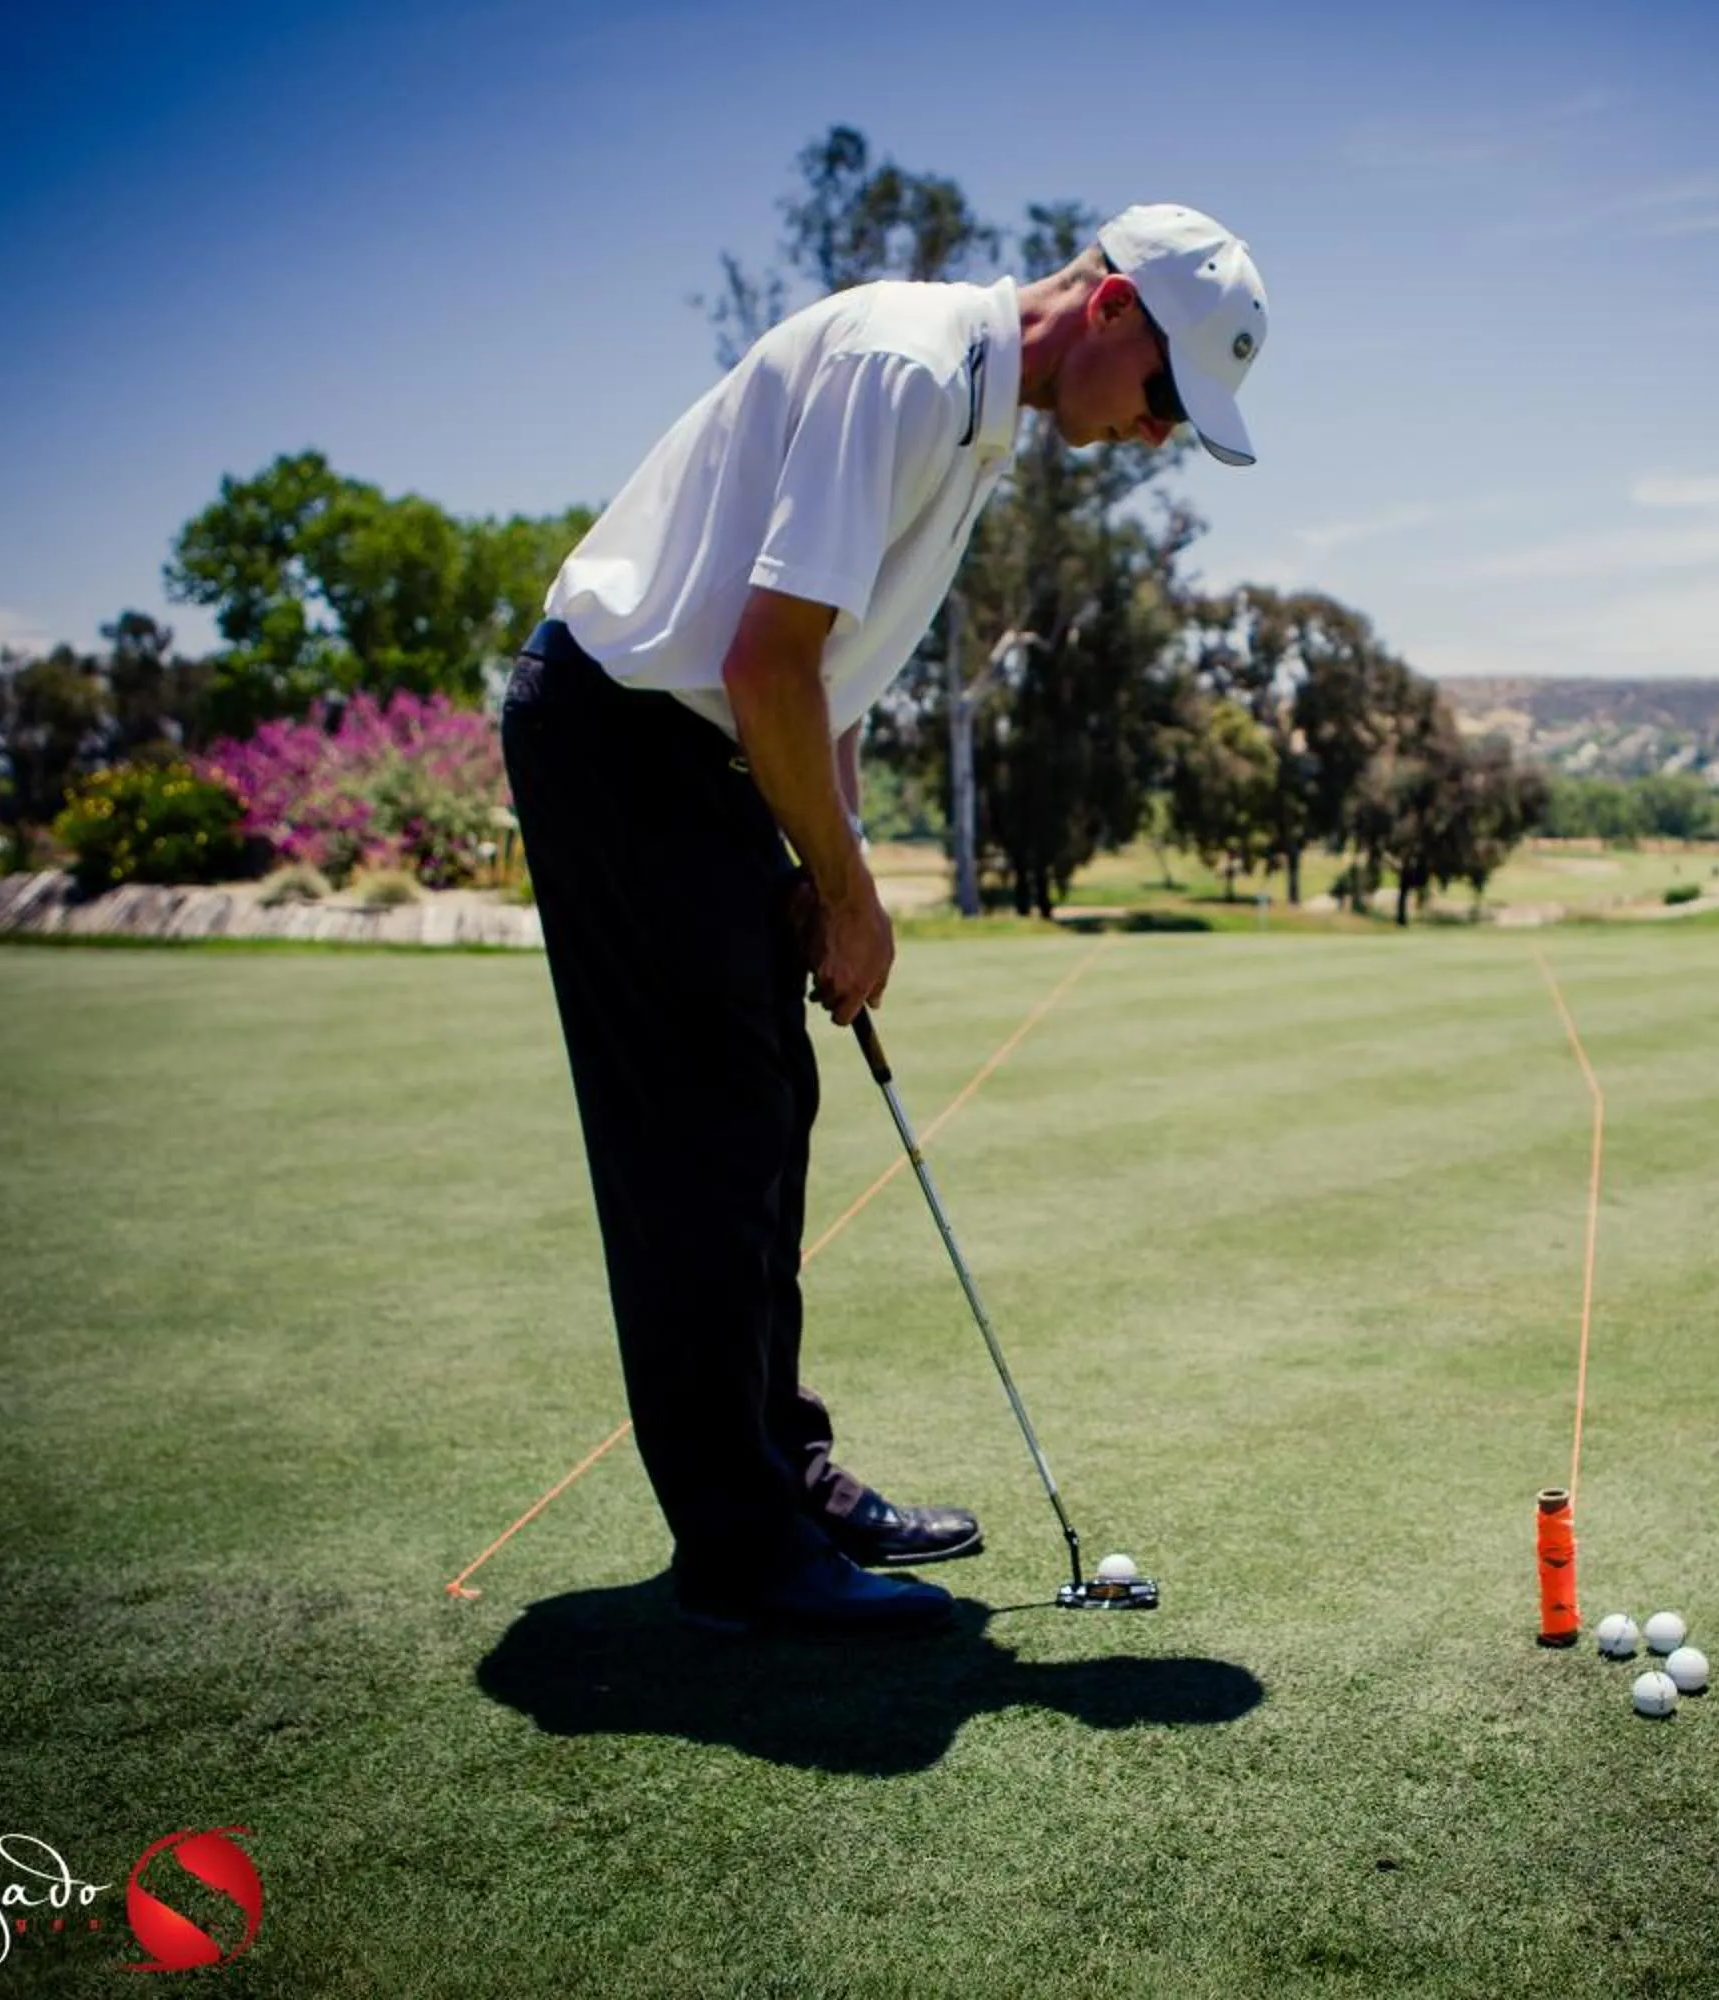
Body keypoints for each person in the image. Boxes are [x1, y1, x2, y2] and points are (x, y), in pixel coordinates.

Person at [500, 205, 1269, 1639]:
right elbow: (763, 661)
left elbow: (825, 679)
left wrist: (824, 865)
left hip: (709, 750)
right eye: (1168, 396)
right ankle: (742, 1553)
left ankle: (784, 1479)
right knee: (703, 1139)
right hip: (627, 742)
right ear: (1109, 307)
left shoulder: (973, 418)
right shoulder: (912, 371)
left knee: (764, 1108)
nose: (1160, 434)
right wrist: (850, 896)